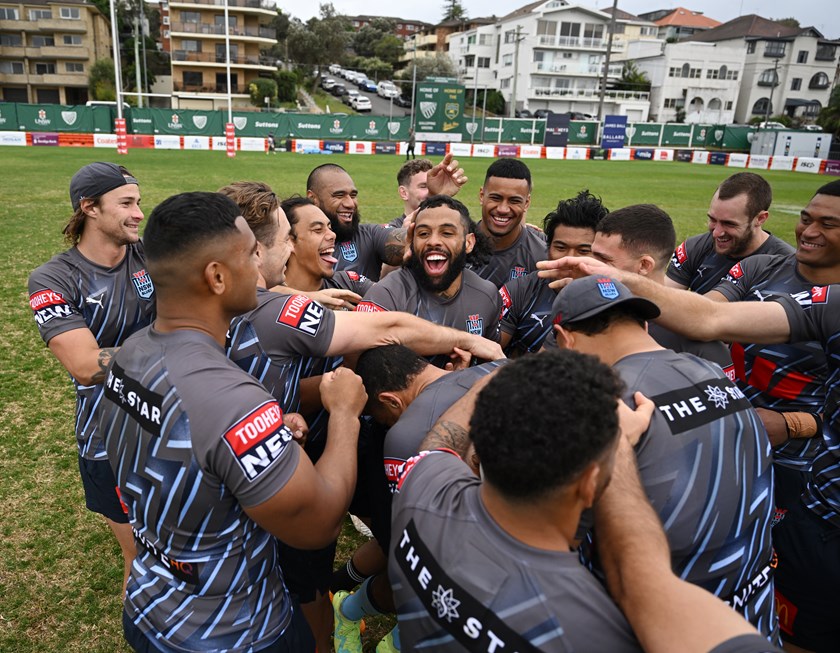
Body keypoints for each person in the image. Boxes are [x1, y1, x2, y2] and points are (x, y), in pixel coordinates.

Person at [98, 191, 370, 652]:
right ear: (218, 276)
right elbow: (319, 522)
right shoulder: (235, 399)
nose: (260, 261)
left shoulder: (128, 354)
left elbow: (189, 447)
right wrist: (344, 414)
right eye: (252, 253)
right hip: (236, 633)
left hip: (150, 610)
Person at [551, 276, 777, 640]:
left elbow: (552, 540)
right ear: (642, 324)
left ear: (565, 339)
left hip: (655, 626)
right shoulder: (715, 374)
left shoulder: (600, 404)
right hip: (750, 620)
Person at [388, 351, 644, 652]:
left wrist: (497, 384)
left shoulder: (421, 490)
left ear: (480, 450)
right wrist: (623, 450)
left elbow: (438, 444)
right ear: (589, 484)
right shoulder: (592, 630)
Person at [28, 161, 152, 593]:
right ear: (89, 208)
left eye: (139, 202)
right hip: (107, 434)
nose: (138, 213)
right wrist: (178, 345)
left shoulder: (149, 252)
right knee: (138, 556)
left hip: (171, 418)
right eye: (126, 203)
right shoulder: (53, 278)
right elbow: (84, 363)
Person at [583, 204, 734, 372]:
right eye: (591, 254)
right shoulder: (583, 311)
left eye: (603, 259)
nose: (589, 265)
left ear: (644, 265)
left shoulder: (697, 341)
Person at [356, 195, 502, 367]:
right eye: (424, 233)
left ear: (469, 243)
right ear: (411, 241)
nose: (433, 241)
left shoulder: (486, 295)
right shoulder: (387, 295)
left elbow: (489, 365)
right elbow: (360, 367)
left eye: (447, 233)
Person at [306, 157, 466, 282]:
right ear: (313, 198)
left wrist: (436, 199)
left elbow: (407, 243)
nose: (350, 204)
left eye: (353, 195)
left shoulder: (370, 235)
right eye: (339, 195)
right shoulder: (293, 237)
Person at [499, 189, 606, 356]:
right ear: (547, 248)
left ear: (601, 254)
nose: (570, 259)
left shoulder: (616, 299)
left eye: (583, 250)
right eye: (561, 248)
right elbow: (489, 350)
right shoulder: (520, 290)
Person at [667, 172, 793, 293]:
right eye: (712, 219)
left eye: (729, 224)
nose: (716, 233)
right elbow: (664, 302)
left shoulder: (787, 266)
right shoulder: (692, 249)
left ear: (760, 219)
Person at [469, 157, 547, 288]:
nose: (503, 209)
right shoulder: (457, 245)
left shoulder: (542, 257)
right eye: (495, 198)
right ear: (482, 196)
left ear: (526, 203)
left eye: (514, 200)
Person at [385, 159, 433, 229]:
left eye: (433, 186)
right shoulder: (392, 230)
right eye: (423, 186)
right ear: (404, 193)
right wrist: (403, 236)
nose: (431, 191)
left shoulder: (448, 225)